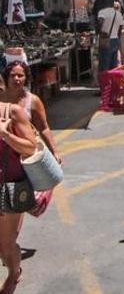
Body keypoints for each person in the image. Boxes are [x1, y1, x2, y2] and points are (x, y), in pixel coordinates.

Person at [1, 61, 62, 229]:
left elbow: (44, 128)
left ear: (26, 78)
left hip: (25, 157)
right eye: (12, 75)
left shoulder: (32, 101)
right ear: (6, 78)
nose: (16, 78)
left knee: (17, 197)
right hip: (4, 157)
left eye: (20, 75)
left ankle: (11, 241)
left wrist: (54, 151)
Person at [0, 92, 37, 294]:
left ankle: (14, 273)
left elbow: (30, 147)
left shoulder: (11, 112)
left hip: (7, 188)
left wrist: (5, 134)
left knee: (5, 247)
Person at [96, 1, 123, 72]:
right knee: (114, 65)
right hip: (115, 40)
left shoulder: (102, 12)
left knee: (104, 64)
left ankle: (105, 81)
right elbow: (120, 29)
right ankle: (112, 81)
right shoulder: (119, 14)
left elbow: (100, 23)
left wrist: (100, 32)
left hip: (106, 41)